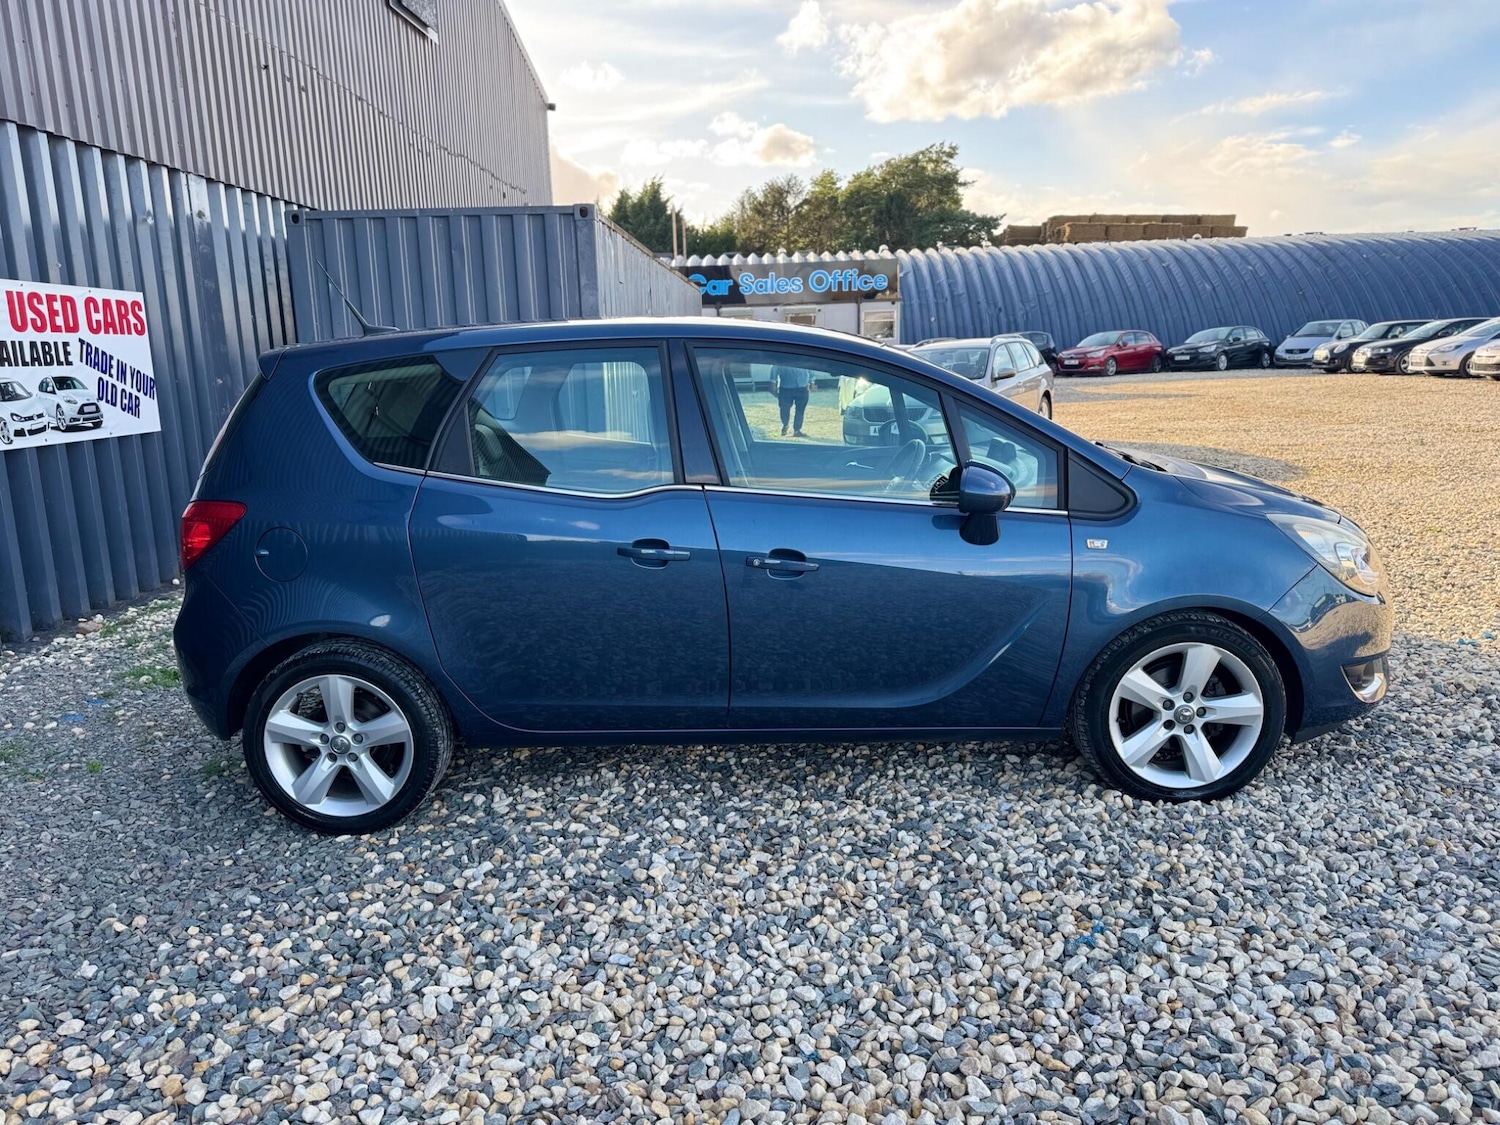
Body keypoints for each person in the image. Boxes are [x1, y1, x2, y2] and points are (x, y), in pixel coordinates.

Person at [772, 363, 811, 437]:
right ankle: (785, 424)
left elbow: (810, 366)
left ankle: (797, 430)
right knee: (784, 408)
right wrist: (772, 381)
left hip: (802, 386)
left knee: (800, 410)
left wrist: (812, 381)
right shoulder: (782, 357)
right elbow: (775, 366)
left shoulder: (804, 357)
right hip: (786, 388)